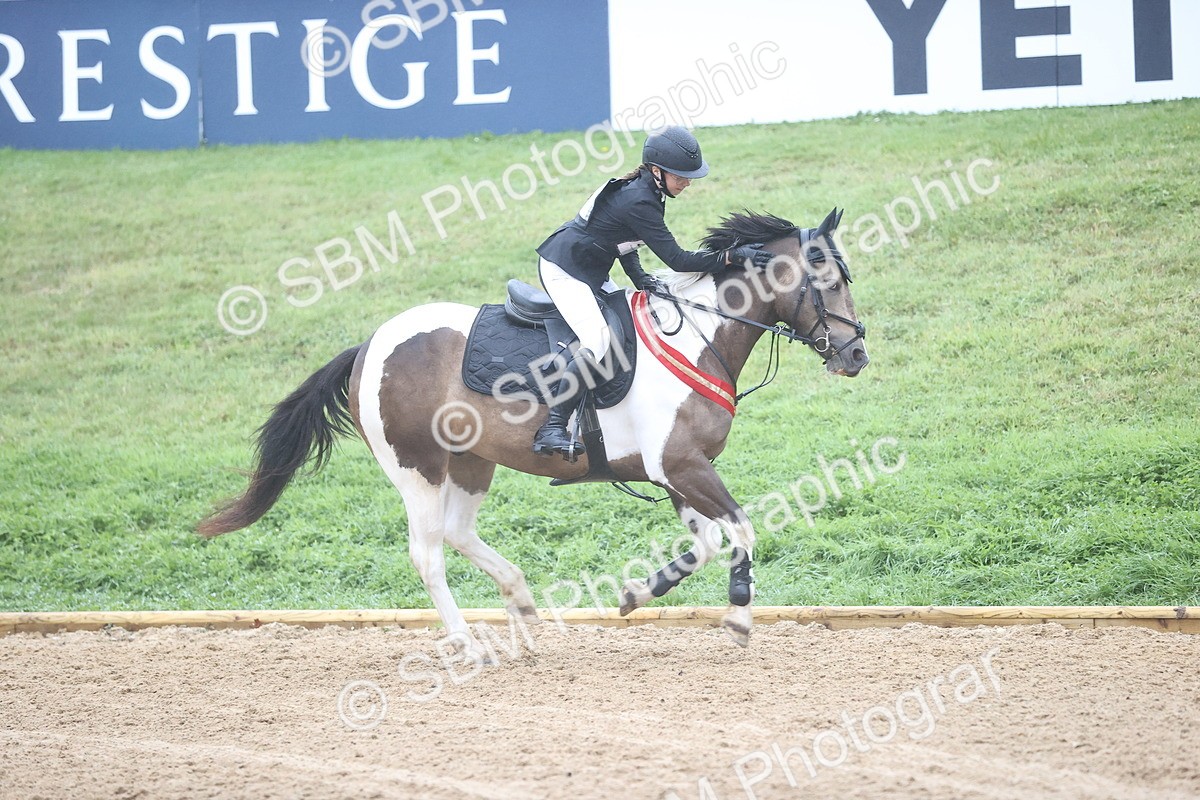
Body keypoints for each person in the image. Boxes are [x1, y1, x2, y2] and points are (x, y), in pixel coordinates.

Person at [531, 125, 772, 458]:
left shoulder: (649, 192)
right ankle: (553, 427)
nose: (687, 183)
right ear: (657, 171)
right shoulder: (638, 199)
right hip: (565, 270)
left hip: (591, 269)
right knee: (598, 340)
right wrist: (732, 257)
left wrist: (639, 277)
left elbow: (625, 240)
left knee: (629, 327)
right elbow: (678, 260)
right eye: (681, 176)